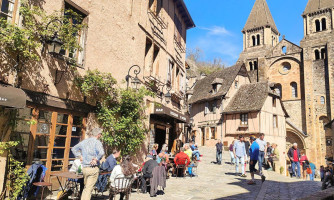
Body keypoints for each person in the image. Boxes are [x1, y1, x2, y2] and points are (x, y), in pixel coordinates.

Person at [72, 128, 105, 200]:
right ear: (98, 135)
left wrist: (79, 156)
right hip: (93, 168)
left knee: (86, 188)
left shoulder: (84, 142)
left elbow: (74, 149)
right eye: (100, 134)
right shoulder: (97, 142)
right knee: (88, 189)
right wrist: (96, 159)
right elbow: (102, 152)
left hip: (84, 169)